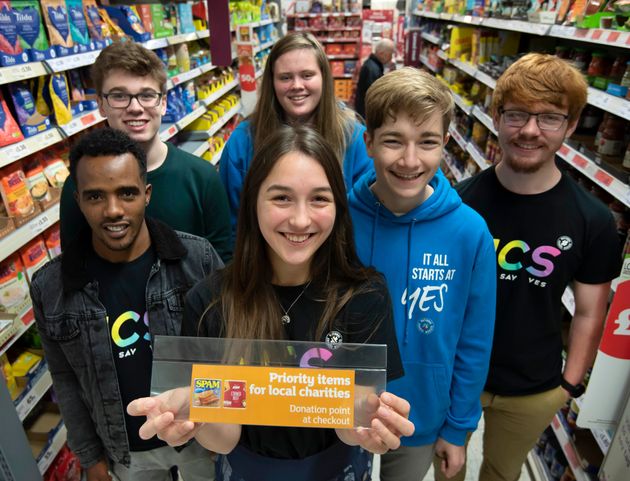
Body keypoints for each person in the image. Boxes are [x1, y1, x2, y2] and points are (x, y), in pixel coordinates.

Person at [128, 125, 415, 480]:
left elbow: (349, 421)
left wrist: (367, 423)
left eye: (319, 199)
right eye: (281, 198)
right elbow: (225, 438)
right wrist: (194, 412)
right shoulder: (210, 301)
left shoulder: (364, 296)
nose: (300, 219)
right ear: (253, 203)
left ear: (338, 207)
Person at [438, 53, 621, 481]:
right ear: (496, 116)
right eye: (517, 114)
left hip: (534, 386)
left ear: (572, 126)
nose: (530, 131)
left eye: (550, 118)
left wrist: (569, 385)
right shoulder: (458, 203)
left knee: (503, 473)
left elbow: (592, 311)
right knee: (447, 469)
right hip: (457, 376)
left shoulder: (592, 220)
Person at [31, 128, 224, 481]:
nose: (113, 210)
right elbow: (66, 379)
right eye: (95, 197)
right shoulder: (51, 287)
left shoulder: (198, 260)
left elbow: (225, 354)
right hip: (126, 453)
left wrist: (217, 429)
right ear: (78, 201)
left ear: (147, 195)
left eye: (127, 193)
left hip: (199, 435)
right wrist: (91, 458)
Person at [348, 67, 497, 481]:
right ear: (369, 143)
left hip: (421, 417)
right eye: (393, 140)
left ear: (445, 144)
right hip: (341, 410)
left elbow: (474, 340)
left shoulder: (469, 232)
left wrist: (458, 427)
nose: (410, 160)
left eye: (427, 142)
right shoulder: (337, 220)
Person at [59, 41, 233, 262]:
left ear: (163, 103)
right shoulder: (80, 185)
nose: (135, 107)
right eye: (119, 96)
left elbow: (223, 263)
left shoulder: (202, 177)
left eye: (147, 95)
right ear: (101, 105)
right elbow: (73, 267)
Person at [219, 32, 373, 237]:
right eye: (285, 77)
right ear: (272, 82)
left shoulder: (354, 139)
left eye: (307, 75)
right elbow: (233, 224)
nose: (297, 85)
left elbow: (364, 220)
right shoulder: (243, 141)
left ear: (324, 78)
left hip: (337, 263)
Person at [354, 38, 395, 120]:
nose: (391, 58)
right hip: (366, 113)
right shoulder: (373, 69)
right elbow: (374, 95)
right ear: (382, 53)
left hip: (364, 110)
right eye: (390, 54)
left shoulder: (373, 64)